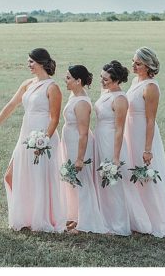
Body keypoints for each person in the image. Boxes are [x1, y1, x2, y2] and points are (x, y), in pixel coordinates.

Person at [0, 48, 65, 232]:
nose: (28, 65)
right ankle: (26, 215)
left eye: (31, 62)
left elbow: (54, 118)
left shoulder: (53, 87)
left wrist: (44, 141)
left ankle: (42, 218)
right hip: (25, 134)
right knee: (11, 176)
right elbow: (11, 105)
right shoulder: (27, 84)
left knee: (39, 177)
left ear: (41, 63)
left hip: (43, 137)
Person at [126, 47, 165, 238]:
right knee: (132, 173)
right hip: (129, 131)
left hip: (143, 134)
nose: (133, 65)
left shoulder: (151, 87)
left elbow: (150, 120)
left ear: (148, 66)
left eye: (138, 63)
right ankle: (137, 217)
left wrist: (147, 149)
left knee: (146, 175)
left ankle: (157, 220)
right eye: (133, 61)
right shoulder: (135, 81)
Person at [59, 65, 107, 234]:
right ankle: (76, 216)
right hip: (70, 141)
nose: (65, 80)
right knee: (74, 180)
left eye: (68, 78)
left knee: (82, 179)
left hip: (79, 144)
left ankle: (87, 222)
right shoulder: (74, 95)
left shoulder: (81, 103)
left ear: (78, 81)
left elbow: (83, 133)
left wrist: (80, 158)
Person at [93, 60, 134, 235]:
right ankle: (104, 219)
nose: (102, 82)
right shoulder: (107, 93)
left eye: (106, 79)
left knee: (114, 183)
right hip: (100, 138)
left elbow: (119, 129)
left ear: (116, 80)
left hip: (111, 141)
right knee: (102, 182)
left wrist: (116, 157)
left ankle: (118, 226)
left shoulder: (120, 99)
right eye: (101, 78)